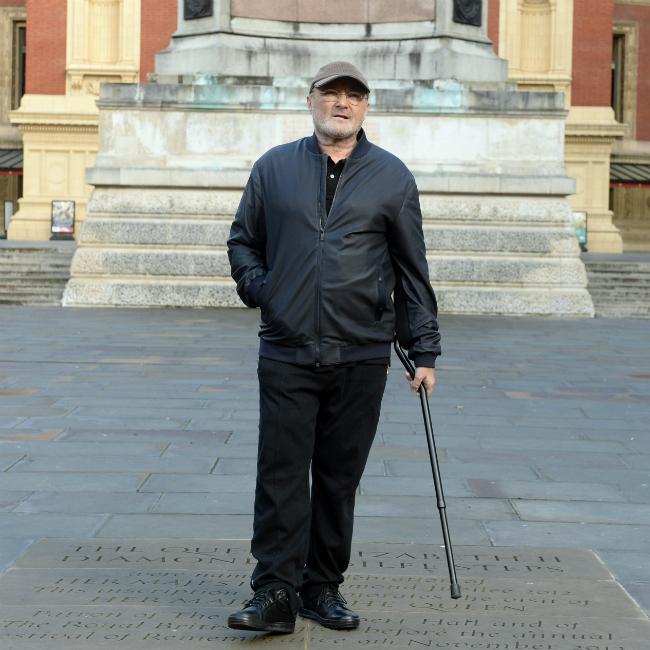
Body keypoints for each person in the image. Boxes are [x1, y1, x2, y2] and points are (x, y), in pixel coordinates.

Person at [226, 61, 441, 634]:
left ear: (365, 107)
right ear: (311, 100)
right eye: (331, 93)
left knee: (339, 479)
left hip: (361, 352)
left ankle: (322, 587)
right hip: (287, 348)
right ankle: (274, 591)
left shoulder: (392, 176)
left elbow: (411, 270)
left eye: (353, 96)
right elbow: (243, 242)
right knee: (280, 475)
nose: (342, 103)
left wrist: (423, 351)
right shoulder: (274, 168)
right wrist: (266, 291)